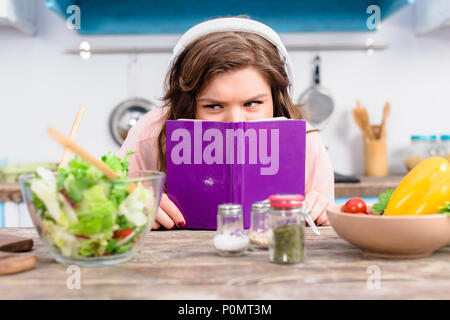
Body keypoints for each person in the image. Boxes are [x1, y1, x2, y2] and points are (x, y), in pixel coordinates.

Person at [119, 17, 335, 230]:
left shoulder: (306, 140)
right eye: (213, 106)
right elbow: (108, 211)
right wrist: (131, 207)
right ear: (187, 104)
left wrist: (322, 212)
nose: (236, 122)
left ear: (276, 98)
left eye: (252, 103)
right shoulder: (149, 132)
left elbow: (321, 232)